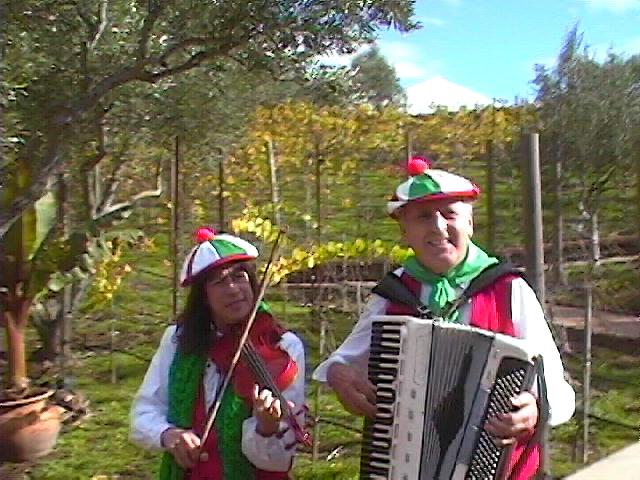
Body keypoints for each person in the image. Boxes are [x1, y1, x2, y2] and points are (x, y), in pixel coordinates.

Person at [313, 157, 575, 479]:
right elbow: (343, 361)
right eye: (423, 217)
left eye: (450, 214)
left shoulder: (509, 289)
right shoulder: (393, 294)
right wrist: (339, 375)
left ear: (470, 224)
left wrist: (536, 409)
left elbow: (555, 386)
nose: (438, 227)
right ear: (405, 232)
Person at [131, 227, 306, 480]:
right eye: (219, 282)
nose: (233, 289)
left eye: (239, 276)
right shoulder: (178, 340)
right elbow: (143, 414)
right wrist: (168, 435)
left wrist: (266, 428)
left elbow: (278, 462)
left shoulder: (284, 347)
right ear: (203, 296)